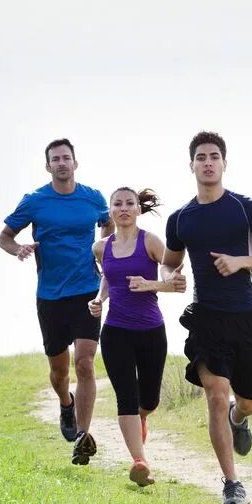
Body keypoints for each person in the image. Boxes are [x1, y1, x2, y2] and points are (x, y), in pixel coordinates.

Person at [161, 130, 252, 504]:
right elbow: (169, 263)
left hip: (247, 318)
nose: (208, 162)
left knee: (245, 401)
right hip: (207, 319)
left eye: (214, 156)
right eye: (201, 157)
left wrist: (242, 261)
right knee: (216, 394)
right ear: (192, 165)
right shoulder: (181, 218)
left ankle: (240, 417)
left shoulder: (247, 209)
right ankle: (232, 483)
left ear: (224, 163)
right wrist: (171, 279)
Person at [0, 138, 114, 465]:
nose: (62, 163)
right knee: (59, 371)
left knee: (85, 363)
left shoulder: (92, 197)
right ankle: (66, 402)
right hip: (50, 295)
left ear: (75, 163)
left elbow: (106, 223)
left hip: (87, 290)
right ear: (48, 166)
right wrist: (18, 249)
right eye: (56, 159)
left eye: (67, 158)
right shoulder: (35, 201)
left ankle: (82, 436)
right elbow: (4, 237)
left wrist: (105, 249)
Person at [88, 187, 187, 487]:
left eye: (129, 203)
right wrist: (99, 299)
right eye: (117, 204)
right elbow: (108, 277)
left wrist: (151, 284)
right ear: (111, 211)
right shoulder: (100, 247)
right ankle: (140, 461)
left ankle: (143, 418)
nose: (124, 208)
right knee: (125, 397)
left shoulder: (152, 242)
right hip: (116, 331)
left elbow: (176, 286)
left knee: (149, 400)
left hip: (150, 331)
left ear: (138, 210)